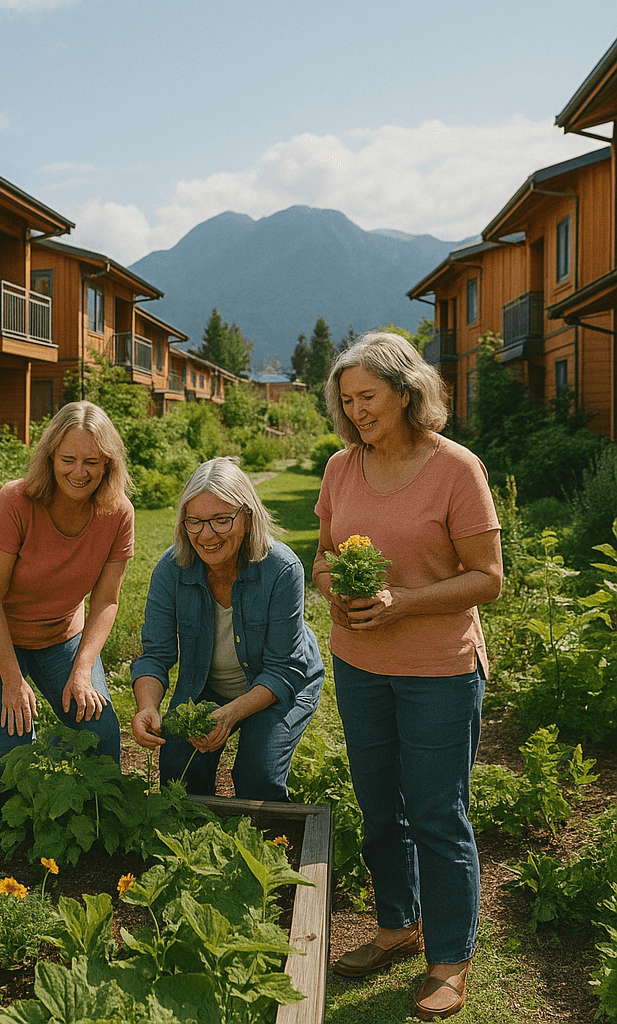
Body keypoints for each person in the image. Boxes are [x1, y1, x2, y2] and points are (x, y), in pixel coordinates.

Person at [313, 332, 502, 1021]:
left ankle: (449, 958)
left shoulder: (456, 469)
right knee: (377, 807)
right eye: (347, 400)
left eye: (367, 396)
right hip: (359, 662)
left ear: (405, 391)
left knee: (435, 813)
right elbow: (326, 554)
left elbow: (490, 579)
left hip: (437, 671)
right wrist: (333, 585)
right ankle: (398, 923)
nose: (356, 410)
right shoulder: (340, 468)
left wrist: (402, 604)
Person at [129, 457, 324, 801]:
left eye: (221, 520)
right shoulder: (171, 569)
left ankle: (265, 848)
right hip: (207, 687)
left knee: (256, 779)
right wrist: (147, 706)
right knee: (179, 775)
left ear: (247, 518)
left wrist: (232, 714)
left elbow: (284, 669)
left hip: (276, 687)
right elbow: (155, 655)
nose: (206, 535)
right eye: (195, 521)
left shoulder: (281, 569)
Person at [0, 401, 133, 767]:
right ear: (50, 457)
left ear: (108, 464)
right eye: (68, 459)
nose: (79, 472)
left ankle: (89, 813)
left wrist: (82, 670)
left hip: (59, 633)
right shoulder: (15, 502)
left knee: (101, 735)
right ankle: (21, 808)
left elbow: (106, 602)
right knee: (17, 751)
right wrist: (12, 680)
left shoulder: (118, 513)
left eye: (92, 462)